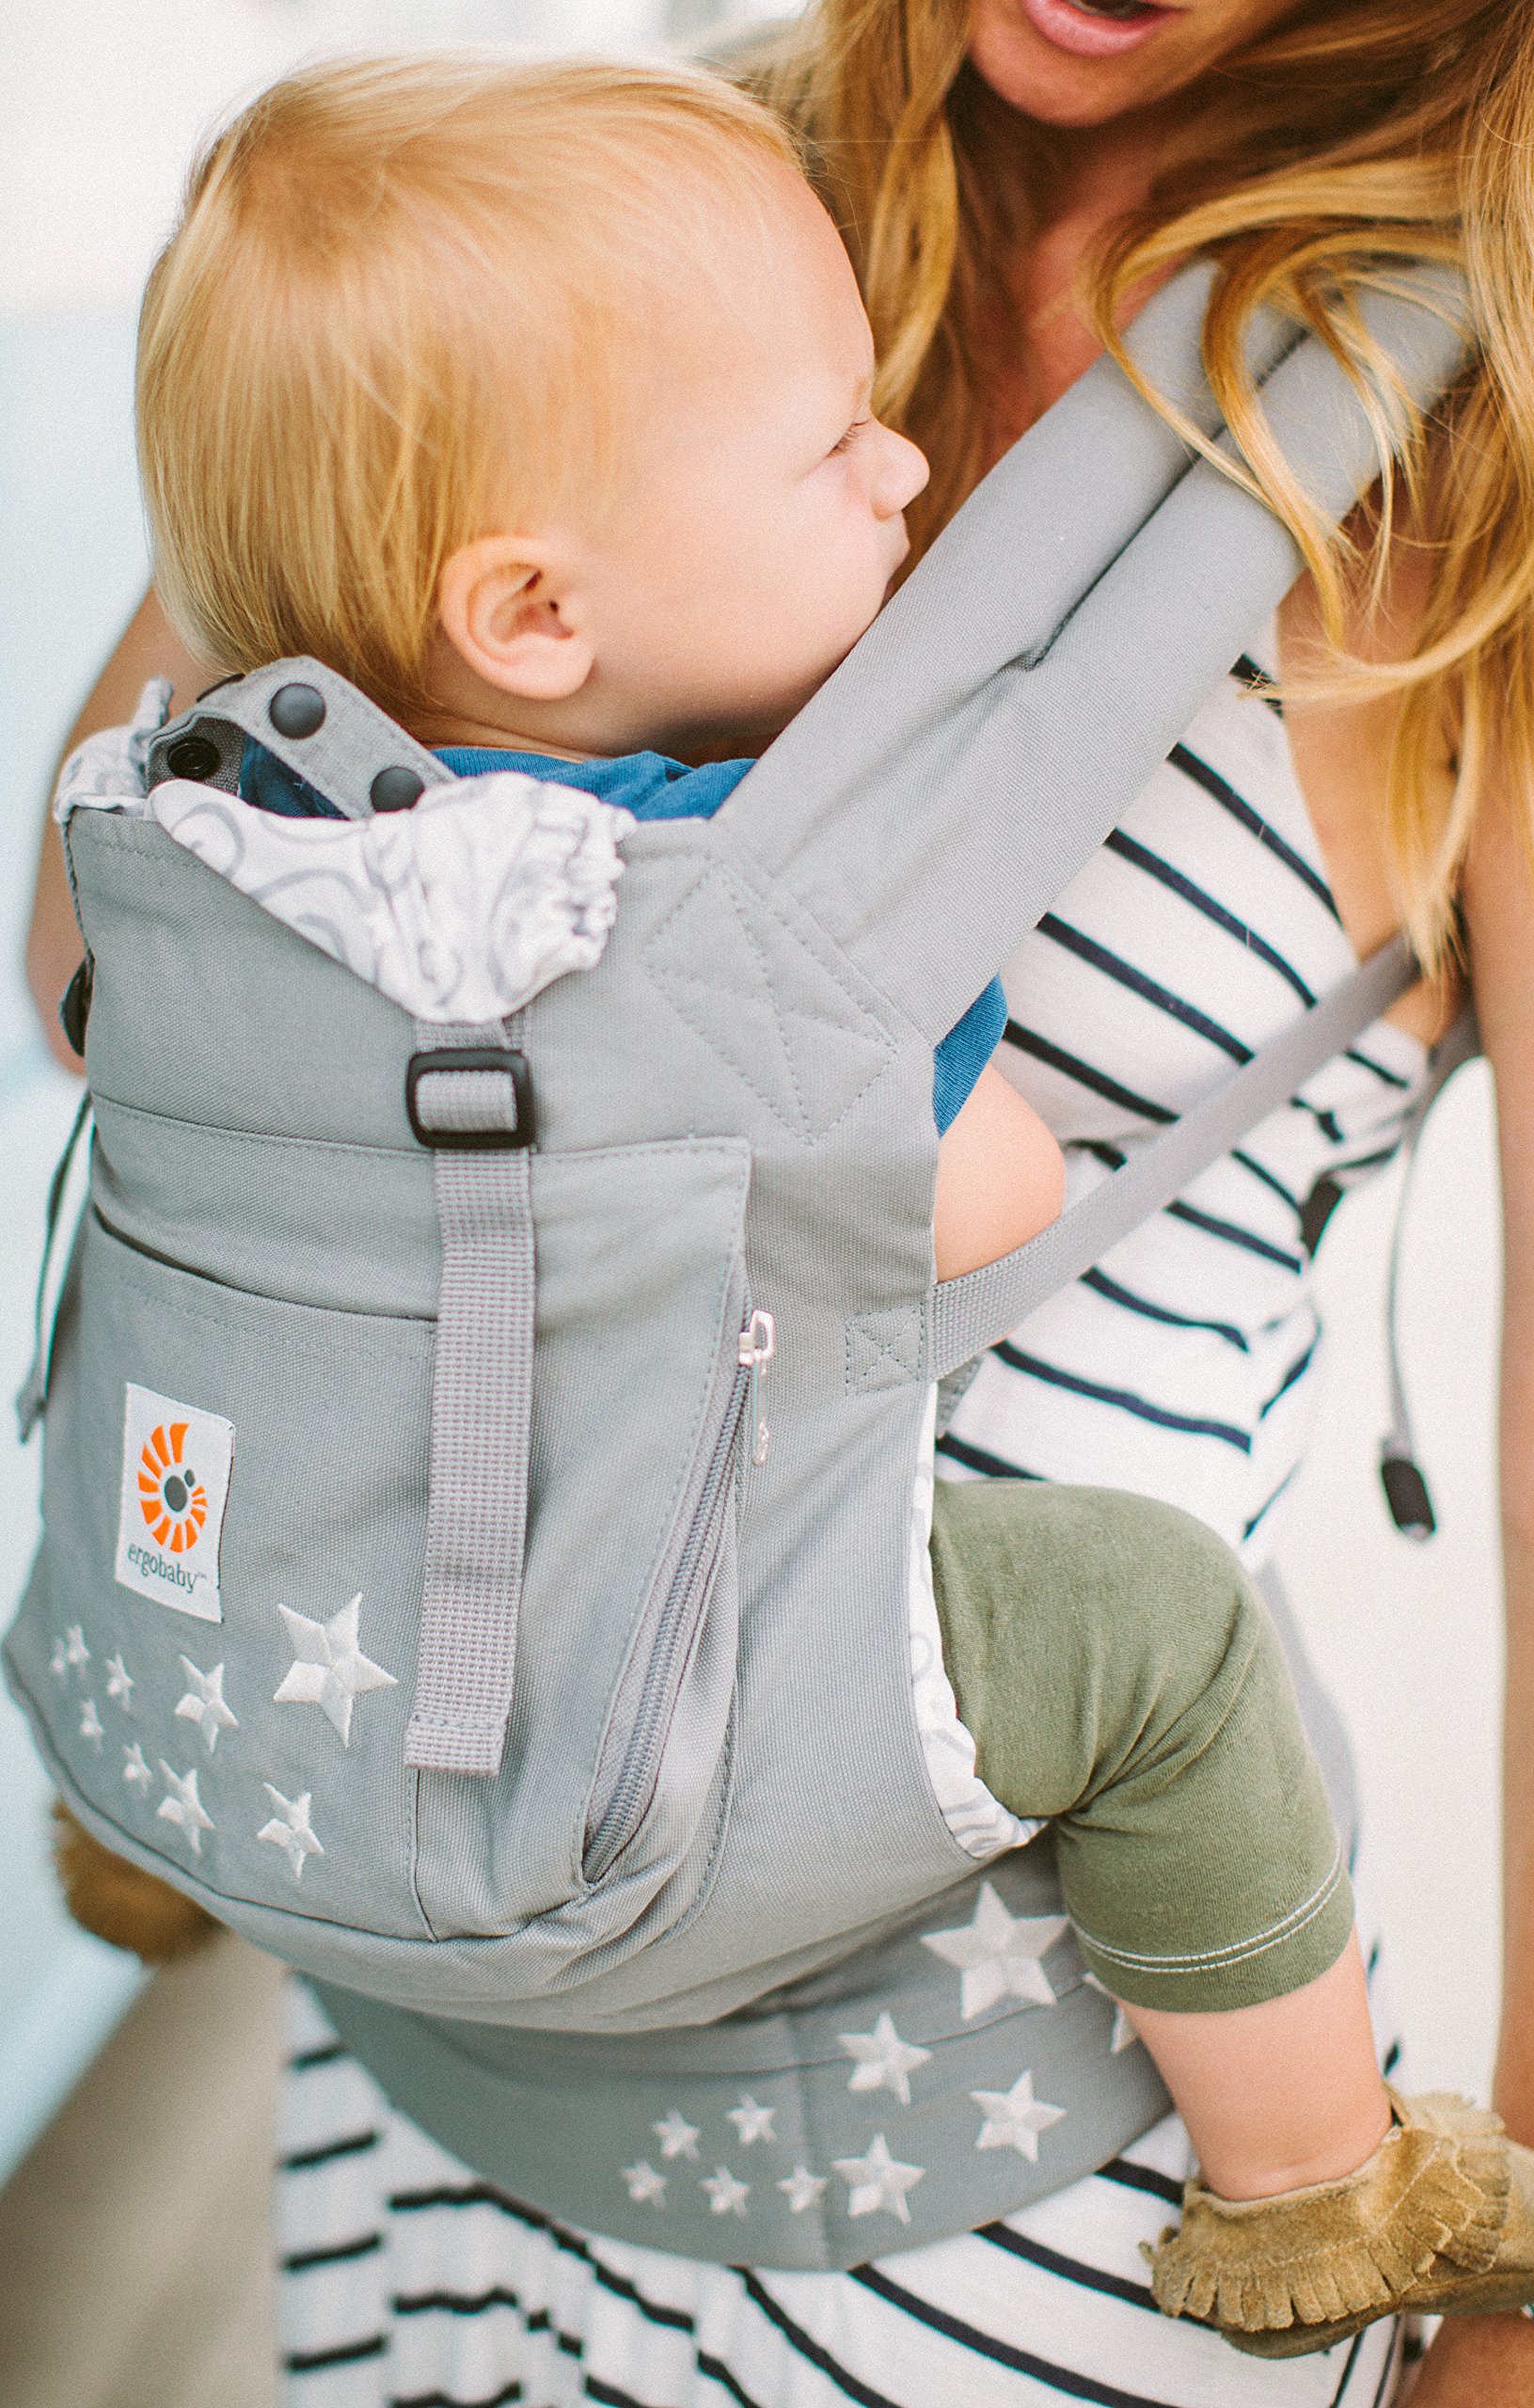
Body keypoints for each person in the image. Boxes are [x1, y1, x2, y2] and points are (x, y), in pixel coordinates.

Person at [25, 8, 1534, 2408]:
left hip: (975, 2152)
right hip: (438, 1974)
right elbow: (87, 962)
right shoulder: (602, 210)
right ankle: (1322, 2163)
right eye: (837, 446)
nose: (895, 474)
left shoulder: (1477, 433)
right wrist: (383, 455)